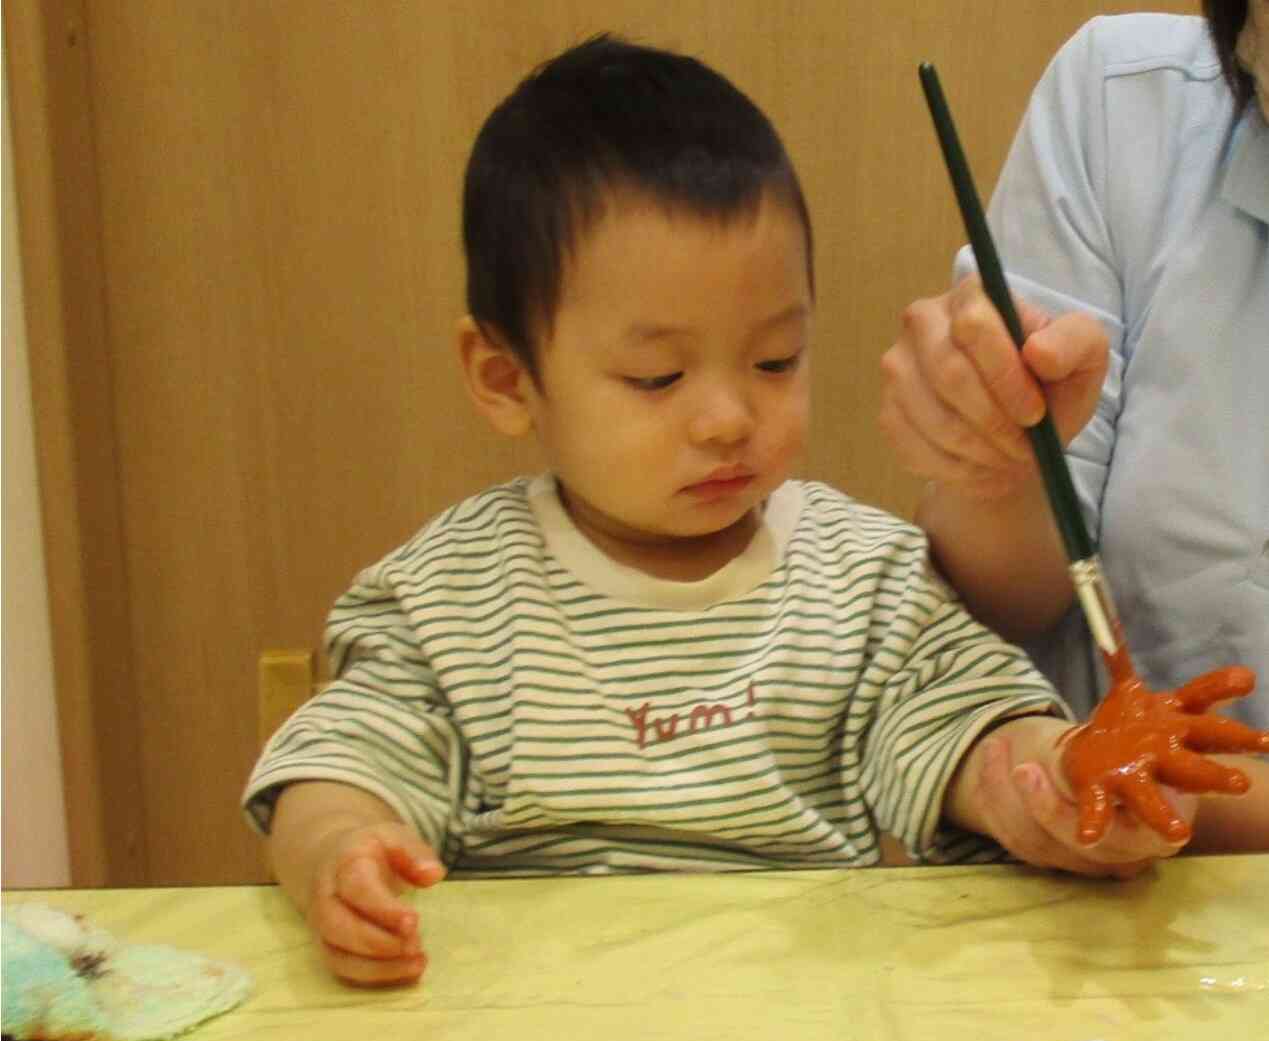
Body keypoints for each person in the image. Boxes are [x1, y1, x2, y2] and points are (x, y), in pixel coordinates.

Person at [243, 35, 1245, 988]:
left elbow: (970, 726)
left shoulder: (860, 579)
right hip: (530, 1031)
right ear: (506, 377)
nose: (728, 417)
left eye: (775, 361)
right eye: (657, 375)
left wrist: (1058, 775)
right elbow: (340, 760)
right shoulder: (450, 595)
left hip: (798, 1036)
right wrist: (339, 847)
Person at [879, 3, 1269, 845]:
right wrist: (994, 462)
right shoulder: (1126, 106)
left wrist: (1176, 789)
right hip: (1083, 907)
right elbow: (990, 616)